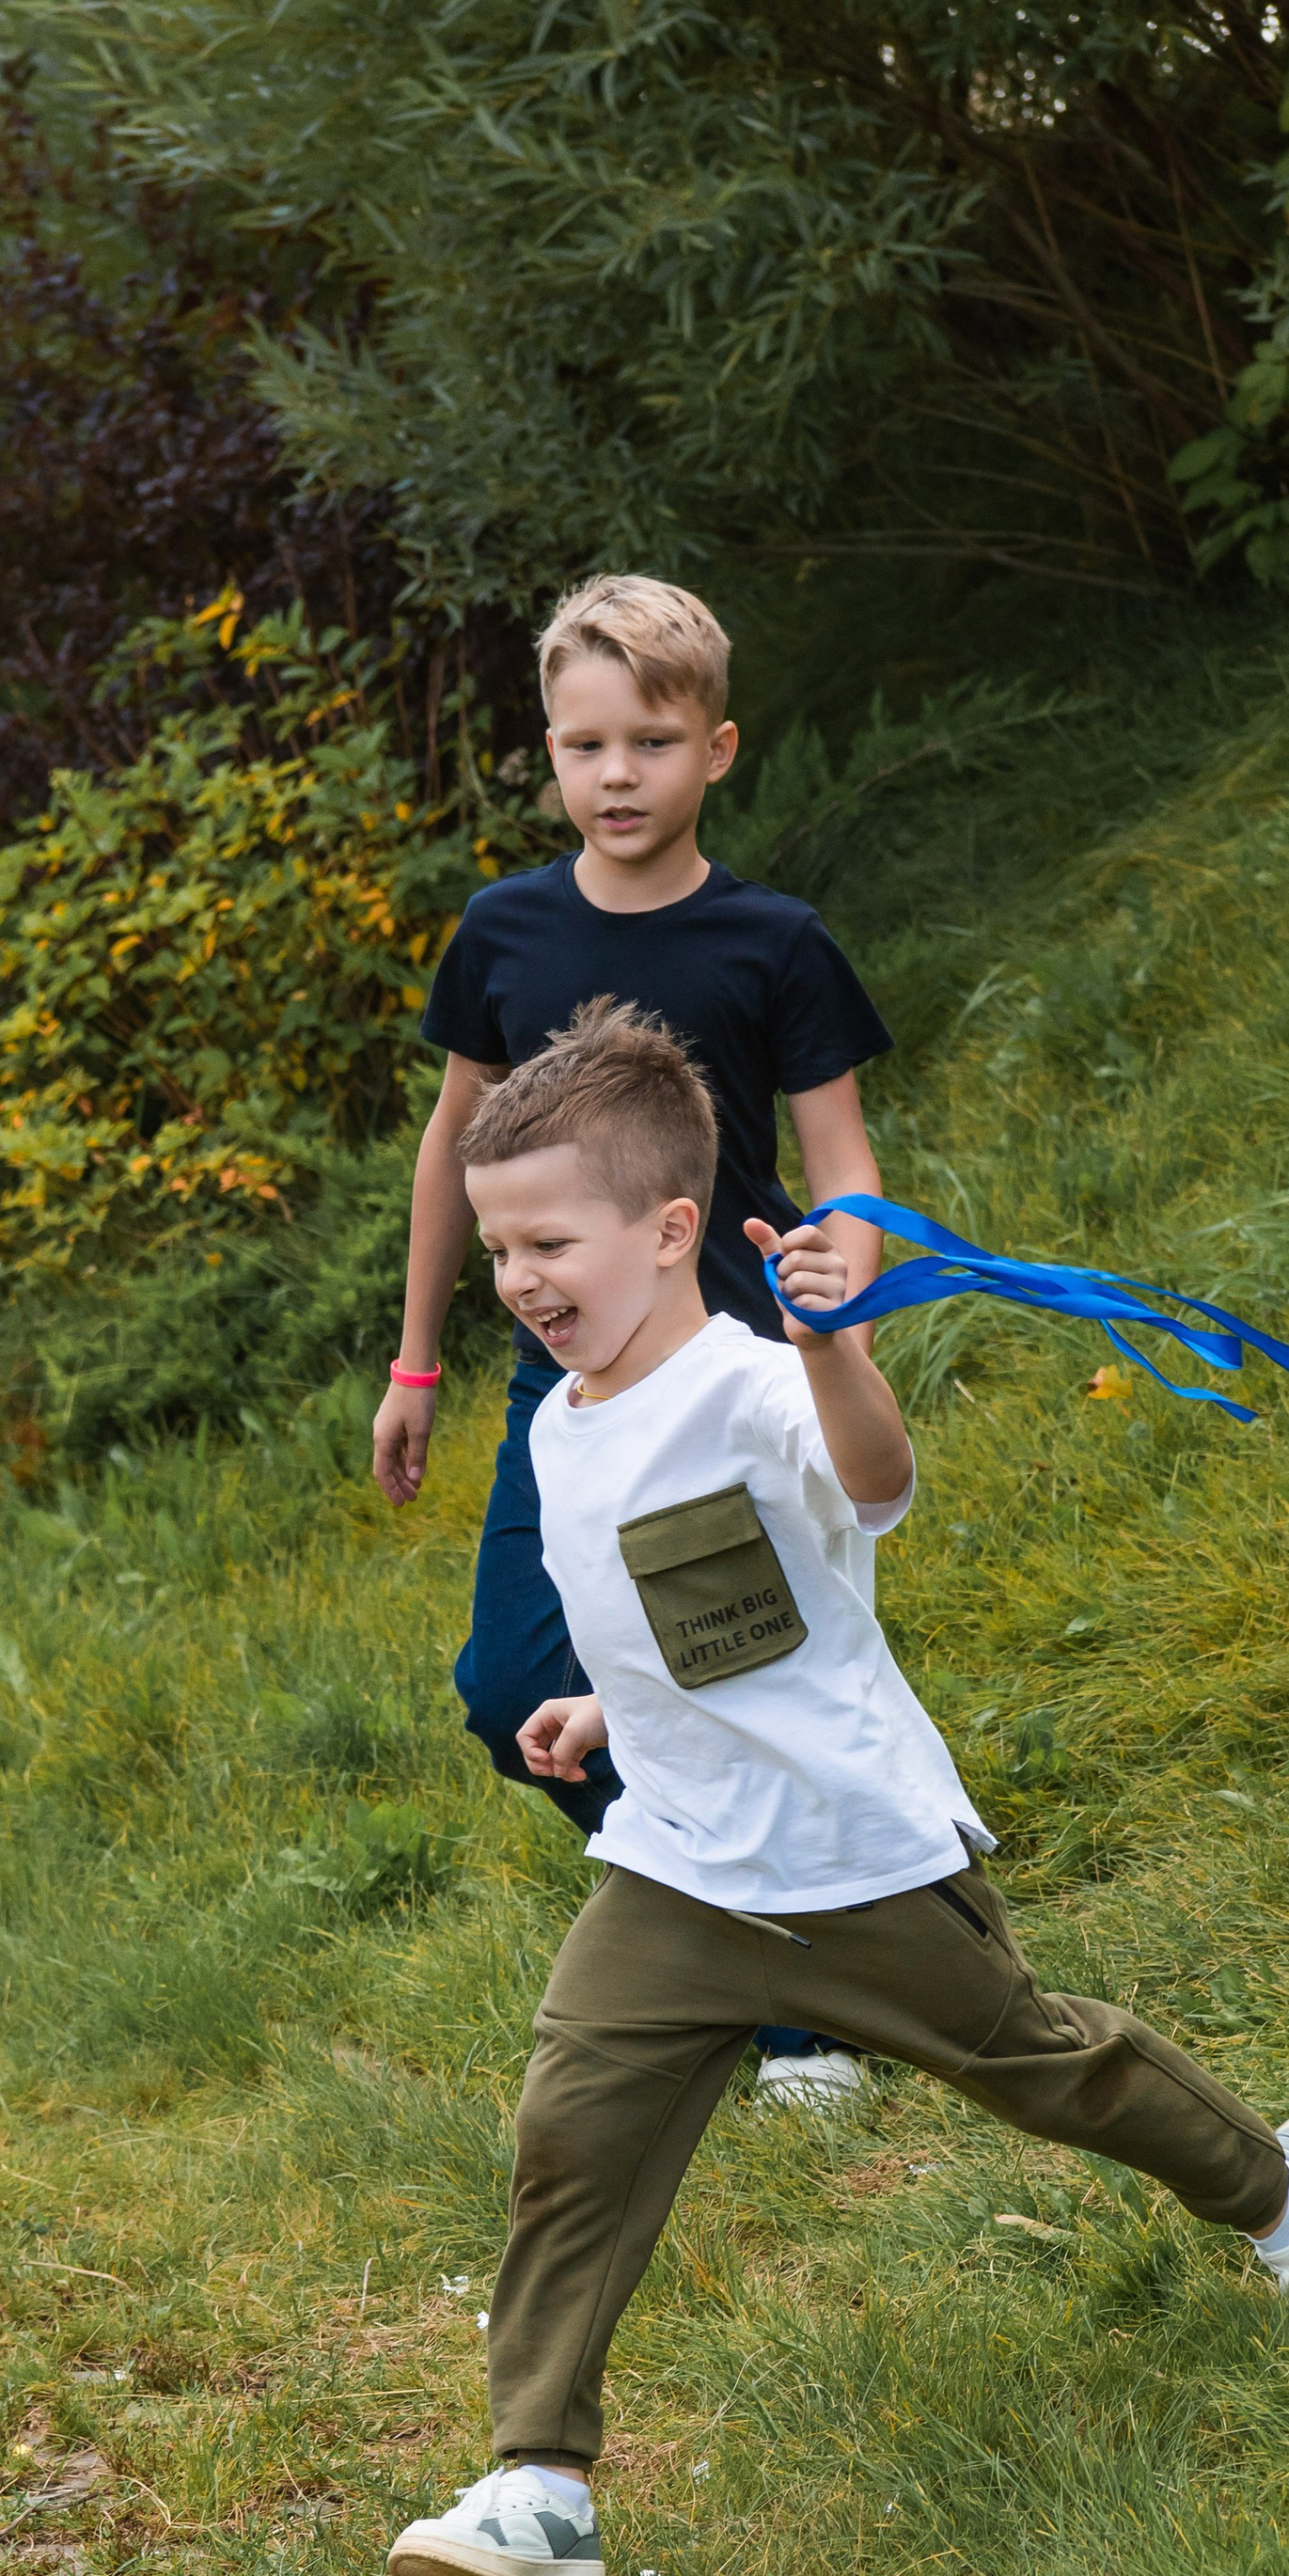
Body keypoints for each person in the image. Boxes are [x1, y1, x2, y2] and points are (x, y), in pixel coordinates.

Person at [385, 1002, 1289, 2576]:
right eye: (499, 1249)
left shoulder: (749, 1387)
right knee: (571, 2136)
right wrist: (607, 1704)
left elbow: (867, 1489)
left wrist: (832, 1349)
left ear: (670, 1234)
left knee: (1044, 2071)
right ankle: (543, 2484)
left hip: (847, 1861)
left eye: (548, 1244)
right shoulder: (565, 1421)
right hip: (675, 1870)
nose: (518, 1281)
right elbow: (699, 1604)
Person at [372, 572, 891, 2110]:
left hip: (732, 1380)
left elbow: (845, 1163)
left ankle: (802, 2011)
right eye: (585, 746)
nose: (617, 776)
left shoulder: (773, 943)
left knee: (730, 1670)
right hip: (563, 1385)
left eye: (652, 743)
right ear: (548, 753)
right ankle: (753, 1931)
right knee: (507, 1685)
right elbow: (450, 1152)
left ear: (716, 751)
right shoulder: (504, 935)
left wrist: (834, 1270)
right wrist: (417, 1364)